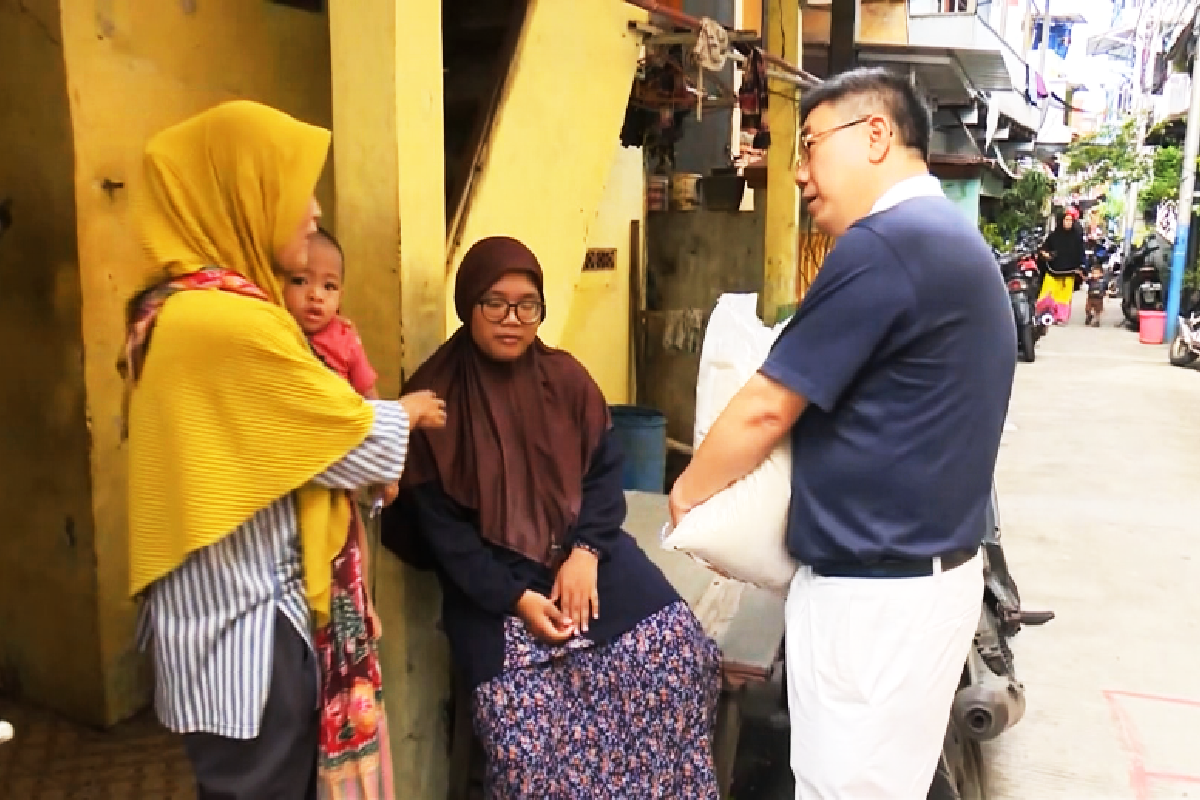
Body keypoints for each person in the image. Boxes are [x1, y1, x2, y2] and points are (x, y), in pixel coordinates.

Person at [669, 67, 1015, 798]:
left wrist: (691, 497)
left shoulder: (886, 246)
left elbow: (768, 407)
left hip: (874, 606)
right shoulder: (953, 242)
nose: (798, 173)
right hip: (925, 586)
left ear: (877, 135)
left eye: (810, 146)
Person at [123, 100, 445, 800]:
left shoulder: (178, 306)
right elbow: (349, 443)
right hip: (250, 632)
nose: (314, 207)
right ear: (245, 193)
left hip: (220, 621)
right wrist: (408, 414)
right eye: (298, 187)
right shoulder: (227, 324)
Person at [384, 236, 722, 800]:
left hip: (582, 558)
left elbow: (602, 476)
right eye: (495, 302)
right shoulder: (434, 395)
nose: (513, 318)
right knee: (527, 732)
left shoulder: (565, 381)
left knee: (677, 659)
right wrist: (518, 599)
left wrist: (586, 553)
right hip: (490, 585)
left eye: (528, 305)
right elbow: (445, 537)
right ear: (468, 303)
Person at [280, 227, 413, 797]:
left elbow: (369, 401)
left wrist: (385, 467)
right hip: (293, 500)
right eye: (300, 281)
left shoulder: (345, 339)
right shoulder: (275, 342)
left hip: (339, 500)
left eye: (329, 286)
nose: (316, 297)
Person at [1037, 208, 1086, 324]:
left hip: (1069, 271)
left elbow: (1081, 254)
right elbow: (1044, 249)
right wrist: (1045, 254)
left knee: (1063, 297)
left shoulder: (1077, 238)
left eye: (1070, 220)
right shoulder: (1054, 236)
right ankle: (1044, 314)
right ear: (1062, 221)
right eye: (1066, 220)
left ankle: (1060, 317)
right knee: (1047, 293)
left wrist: (1082, 269)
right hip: (1053, 269)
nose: (1068, 222)